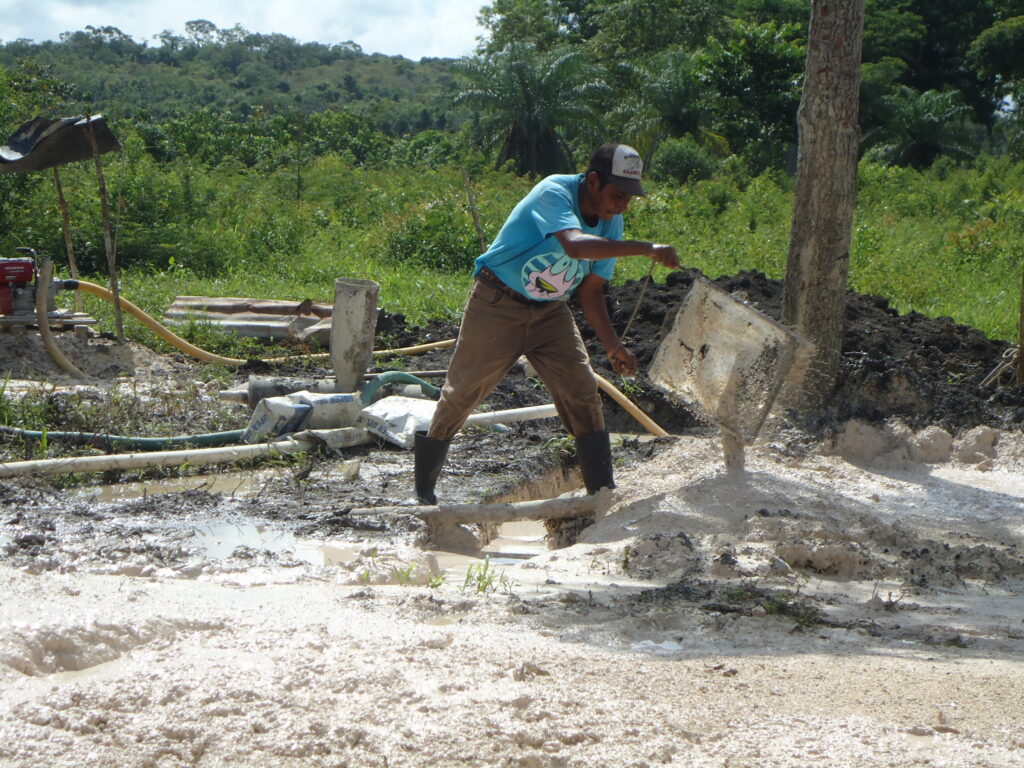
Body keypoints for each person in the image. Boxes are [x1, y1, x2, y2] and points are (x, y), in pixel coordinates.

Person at [414, 143, 679, 505]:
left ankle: (601, 495)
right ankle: (424, 495)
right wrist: (646, 248)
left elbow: (591, 292)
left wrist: (613, 345)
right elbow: (574, 245)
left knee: (582, 391)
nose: (621, 206)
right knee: (462, 392)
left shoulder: (611, 221)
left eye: (628, 198)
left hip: (550, 311)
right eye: (617, 195)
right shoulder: (554, 191)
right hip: (497, 302)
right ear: (593, 181)